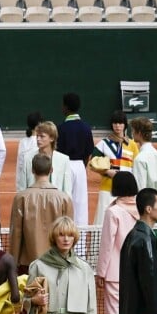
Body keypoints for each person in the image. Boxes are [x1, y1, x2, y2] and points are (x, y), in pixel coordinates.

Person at [9, 153, 74, 314]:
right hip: (58, 262)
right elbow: (69, 231)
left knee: (30, 307)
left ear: (32, 171)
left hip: (28, 261)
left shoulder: (22, 197)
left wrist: (13, 261)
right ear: (51, 171)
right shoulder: (64, 198)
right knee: (57, 307)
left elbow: (16, 233)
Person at [95, 172, 140, 314]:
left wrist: (100, 272)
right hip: (135, 272)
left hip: (115, 272)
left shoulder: (113, 212)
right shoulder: (141, 208)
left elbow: (107, 245)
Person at [91, 110, 138, 229]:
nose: (118, 126)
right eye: (115, 123)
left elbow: (136, 167)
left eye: (121, 123)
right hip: (107, 188)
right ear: (112, 125)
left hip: (126, 192)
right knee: (103, 222)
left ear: (125, 125)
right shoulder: (103, 143)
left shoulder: (132, 145)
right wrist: (107, 172)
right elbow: (93, 164)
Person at [56, 92, 94, 229]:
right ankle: (81, 245)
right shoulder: (86, 127)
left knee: (64, 203)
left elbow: (57, 152)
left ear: (65, 107)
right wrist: (82, 166)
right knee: (81, 204)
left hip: (64, 166)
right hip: (80, 166)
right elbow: (89, 152)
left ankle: (63, 234)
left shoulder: (60, 128)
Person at [16, 120, 71, 195]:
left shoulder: (64, 160)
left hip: (56, 204)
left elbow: (67, 191)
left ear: (52, 138)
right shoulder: (28, 158)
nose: (38, 139)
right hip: (33, 203)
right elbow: (21, 188)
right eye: (37, 136)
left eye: (42, 136)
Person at [129, 118, 157, 197]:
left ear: (139, 133)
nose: (132, 133)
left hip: (146, 202)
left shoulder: (139, 159)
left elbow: (140, 187)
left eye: (133, 130)